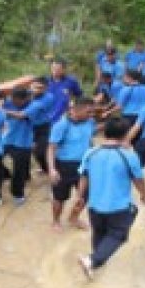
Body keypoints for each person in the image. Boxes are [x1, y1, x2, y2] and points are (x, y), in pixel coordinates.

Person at [76, 118, 145, 279]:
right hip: (119, 207)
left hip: (94, 205)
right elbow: (139, 179)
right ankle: (92, 260)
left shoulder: (91, 152)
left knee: (99, 233)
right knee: (118, 235)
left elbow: (84, 176)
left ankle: (94, 263)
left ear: (105, 133)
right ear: (125, 135)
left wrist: (80, 196)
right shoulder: (129, 156)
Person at [47, 97, 98, 231]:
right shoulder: (61, 125)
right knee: (59, 197)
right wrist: (52, 169)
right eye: (88, 112)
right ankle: (56, 221)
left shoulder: (90, 122)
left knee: (85, 195)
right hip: (64, 166)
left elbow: (89, 139)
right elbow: (51, 148)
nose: (91, 115)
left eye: (92, 112)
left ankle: (73, 217)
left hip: (84, 166)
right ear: (76, 110)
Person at [6, 76, 54, 174]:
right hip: (28, 127)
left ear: (46, 88)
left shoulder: (47, 98)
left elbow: (22, 115)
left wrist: (3, 111)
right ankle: (25, 174)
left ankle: (47, 168)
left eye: (40, 87)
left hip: (42, 127)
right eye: (34, 86)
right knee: (24, 149)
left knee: (39, 152)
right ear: (30, 85)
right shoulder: (26, 94)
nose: (36, 89)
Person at [2, 88, 33, 206]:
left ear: (25, 99)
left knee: (18, 171)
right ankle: (5, 174)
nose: (14, 102)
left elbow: (21, 116)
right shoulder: (8, 103)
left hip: (23, 143)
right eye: (12, 99)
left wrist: (4, 111)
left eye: (17, 101)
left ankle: (18, 194)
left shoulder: (33, 106)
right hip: (7, 139)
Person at [105, 69, 145, 135]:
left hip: (129, 117)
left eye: (124, 77)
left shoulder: (126, 89)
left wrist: (107, 112)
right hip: (142, 117)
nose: (123, 79)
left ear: (129, 78)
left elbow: (119, 106)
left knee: (127, 137)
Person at [48, 58, 83, 124]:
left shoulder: (71, 81)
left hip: (63, 118)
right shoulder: (45, 82)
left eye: (58, 69)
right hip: (46, 119)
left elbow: (80, 96)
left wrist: (74, 105)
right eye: (53, 68)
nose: (55, 70)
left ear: (64, 69)